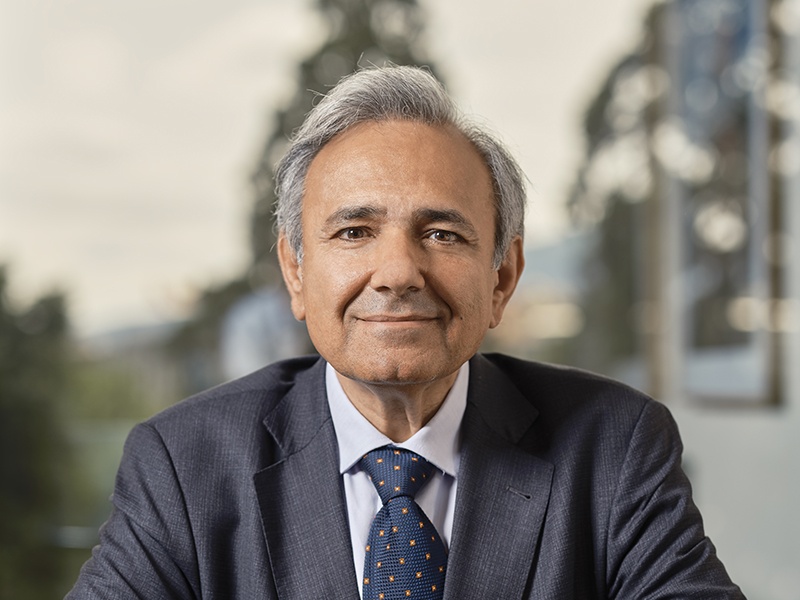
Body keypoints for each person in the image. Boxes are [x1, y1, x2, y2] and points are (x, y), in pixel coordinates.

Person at [68, 65, 744, 599]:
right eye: (354, 232)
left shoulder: (616, 447)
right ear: (296, 273)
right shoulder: (183, 465)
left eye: (442, 233)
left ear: (503, 277)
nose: (397, 273)